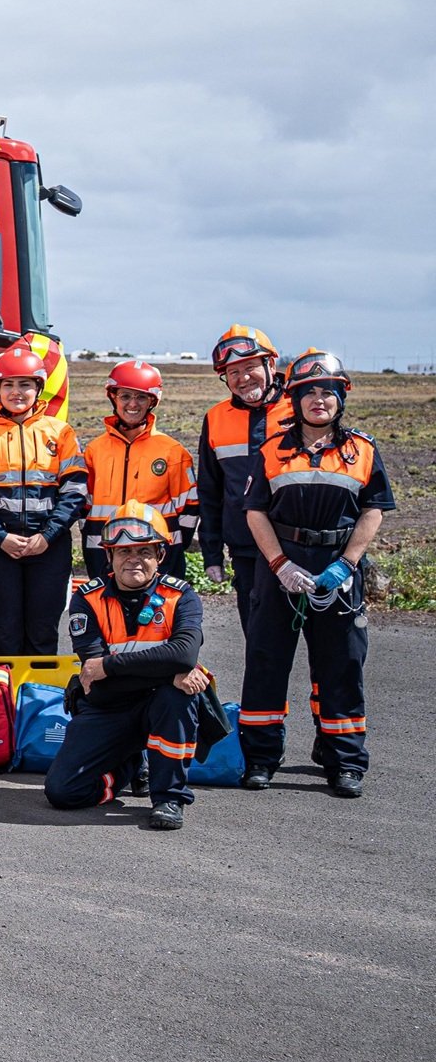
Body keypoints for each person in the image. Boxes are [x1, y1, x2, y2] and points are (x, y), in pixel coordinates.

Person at [239, 351, 392, 798]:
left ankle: (343, 761)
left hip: (337, 569)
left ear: (340, 398)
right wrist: (280, 565)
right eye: (309, 393)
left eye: (328, 391)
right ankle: (262, 759)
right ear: (295, 400)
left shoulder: (361, 450)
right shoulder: (272, 450)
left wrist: (345, 565)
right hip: (280, 568)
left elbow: (373, 510)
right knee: (266, 662)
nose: (319, 400)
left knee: (341, 665)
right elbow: (255, 513)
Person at [45, 504, 207, 830]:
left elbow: (184, 655)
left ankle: (168, 798)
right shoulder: (87, 599)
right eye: (124, 551)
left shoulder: (182, 596)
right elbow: (96, 680)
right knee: (63, 792)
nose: (133, 559)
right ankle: (128, 767)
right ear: (110, 556)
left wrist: (110, 665)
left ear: (160, 556)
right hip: (109, 706)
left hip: (161, 703)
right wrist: (169, 669)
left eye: (144, 551)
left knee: (176, 699)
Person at [0, 344, 87, 655]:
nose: (16, 392)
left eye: (25, 384)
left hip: (49, 548)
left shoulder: (61, 433)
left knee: (42, 632)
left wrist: (47, 536)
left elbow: (75, 491)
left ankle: (36, 701)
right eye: (8, 385)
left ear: (39, 388)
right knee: (0, 633)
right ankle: (2, 701)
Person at [196, 325, 292, 633]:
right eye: (232, 372)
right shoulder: (215, 418)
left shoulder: (301, 407)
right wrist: (212, 554)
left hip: (301, 548)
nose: (242, 378)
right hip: (247, 552)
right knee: (261, 645)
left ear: (271, 365)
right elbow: (210, 491)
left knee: (324, 647)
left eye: (250, 367)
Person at [82, 360, 197, 580]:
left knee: (158, 614)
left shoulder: (173, 451)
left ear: (152, 402)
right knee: (107, 613)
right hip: (103, 551)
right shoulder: (94, 450)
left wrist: (171, 547)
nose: (132, 404)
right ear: (113, 397)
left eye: (141, 397)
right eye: (125, 396)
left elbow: (190, 509)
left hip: (156, 554)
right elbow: (83, 507)